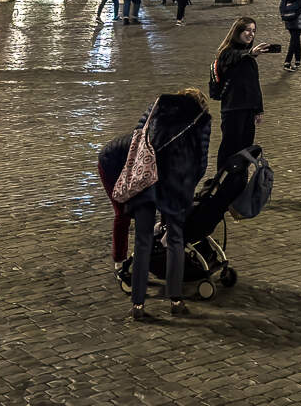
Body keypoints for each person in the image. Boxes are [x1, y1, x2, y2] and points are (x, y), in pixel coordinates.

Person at [104, 87, 212, 322]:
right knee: (175, 241)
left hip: (146, 182)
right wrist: (188, 182)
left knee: (142, 242)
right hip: (176, 186)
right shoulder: (202, 120)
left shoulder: (157, 107)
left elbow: (138, 137)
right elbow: (201, 161)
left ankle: (138, 304)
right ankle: (176, 300)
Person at [210, 16, 277, 174]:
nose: (251, 34)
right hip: (233, 109)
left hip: (248, 110)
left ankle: (240, 181)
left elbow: (254, 85)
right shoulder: (226, 53)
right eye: (247, 30)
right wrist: (250, 53)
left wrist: (258, 110)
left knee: (245, 151)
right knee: (229, 149)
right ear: (237, 32)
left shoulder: (249, 60)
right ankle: (222, 181)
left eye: (253, 31)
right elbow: (234, 57)